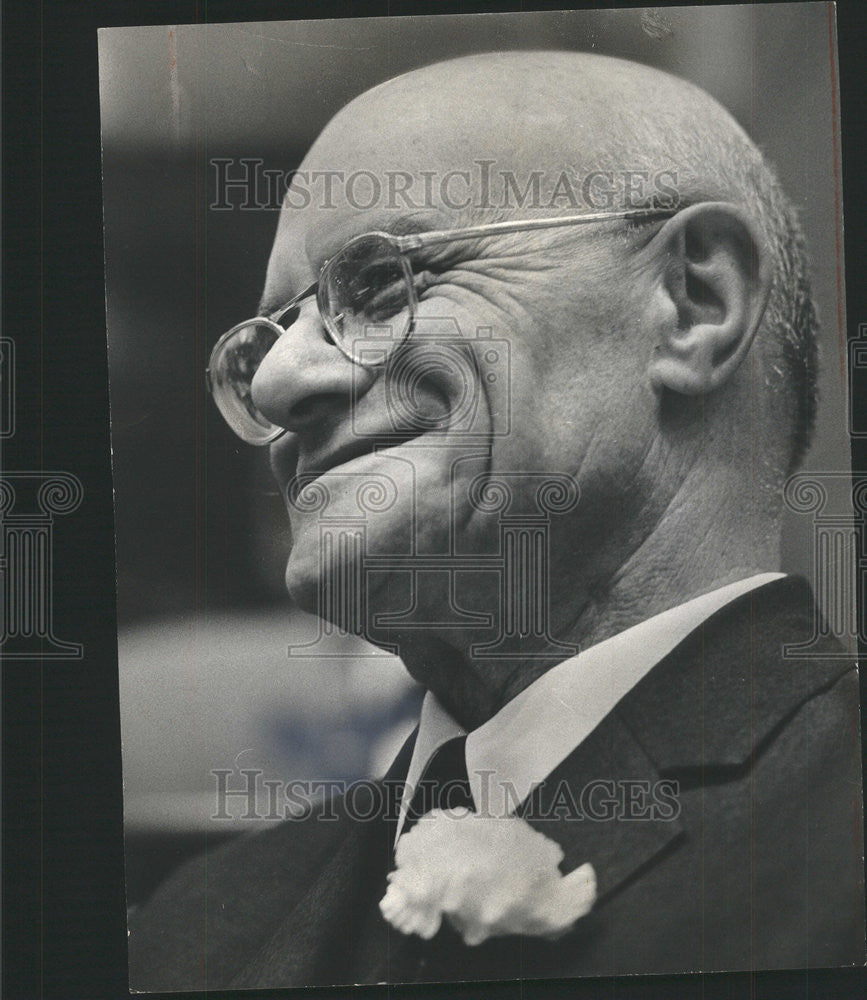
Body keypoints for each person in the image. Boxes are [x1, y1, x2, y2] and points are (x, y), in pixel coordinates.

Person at [128, 51, 864, 990]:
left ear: (693, 303)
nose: (279, 384)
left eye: (382, 284)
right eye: (262, 342)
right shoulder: (190, 927)